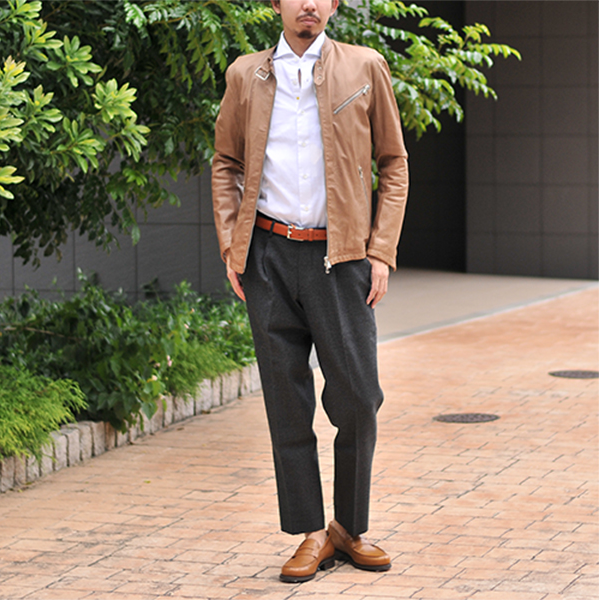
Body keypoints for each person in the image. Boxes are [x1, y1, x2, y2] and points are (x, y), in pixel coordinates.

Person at [212, 0, 408, 583]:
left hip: (341, 258)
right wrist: (232, 246)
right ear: (276, 4)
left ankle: (349, 527)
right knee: (286, 401)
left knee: (358, 397)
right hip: (268, 257)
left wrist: (380, 251)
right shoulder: (246, 74)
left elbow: (394, 163)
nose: (309, 4)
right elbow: (226, 163)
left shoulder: (364, 66)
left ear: (335, 3)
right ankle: (310, 533)